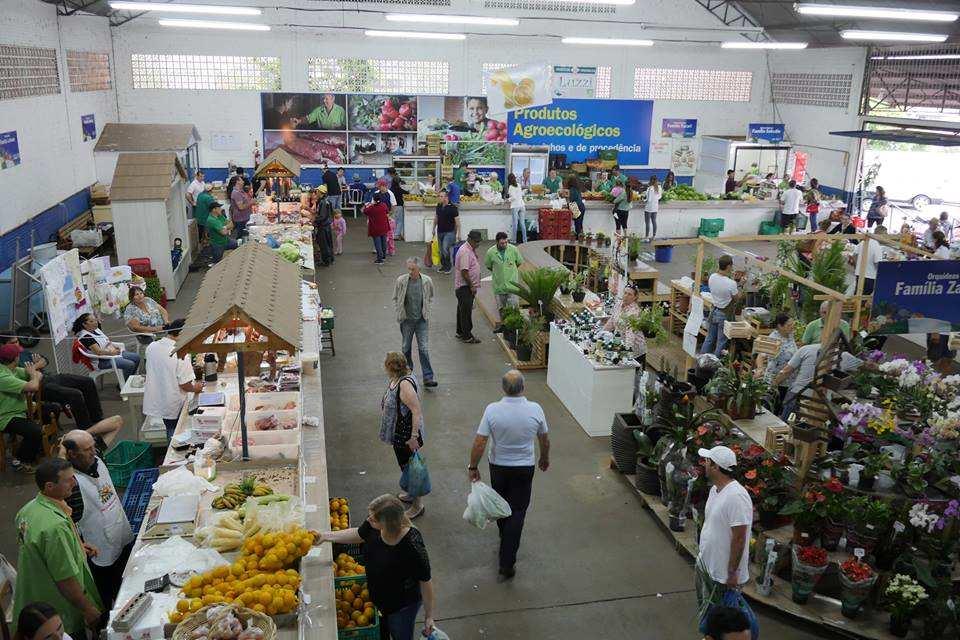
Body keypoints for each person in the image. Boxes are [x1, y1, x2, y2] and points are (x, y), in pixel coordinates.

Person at [468, 370, 550, 581]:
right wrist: (544, 458)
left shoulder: (492, 410)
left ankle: (505, 535)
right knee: (518, 511)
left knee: (501, 505)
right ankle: (507, 561)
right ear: (523, 387)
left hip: (499, 467)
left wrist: (473, 466)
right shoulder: (535, 409)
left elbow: (480, 442)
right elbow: (544, 439)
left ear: (503, 388)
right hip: (524, 467)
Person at [318, 495, 435, 639]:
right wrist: (325, 537)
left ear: (387, 524)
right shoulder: (374, 528)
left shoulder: (412, 545)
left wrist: (429, 616)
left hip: (401, 606)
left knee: (400, 634)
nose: (368, 520)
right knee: (382, 633)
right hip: (378, 599)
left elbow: (425, 581)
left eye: (373, 519)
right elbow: (359, 534)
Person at [13, 458, 103, 640]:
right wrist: (88, 609)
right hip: (56, 611)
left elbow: (39, 549)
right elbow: (65, 579)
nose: (74, 482)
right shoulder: (54, 527)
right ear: (49, 486)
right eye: (68, 479)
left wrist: (76, 546)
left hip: (33, 598)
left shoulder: (28, 511)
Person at [62, 430, 134, 610]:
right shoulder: (71, 485)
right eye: (87, 449)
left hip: (122, 537)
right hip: (101, 553)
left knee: (133, 588)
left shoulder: (96, 458)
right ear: (71, 454)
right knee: (114, 603)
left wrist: (81, 436)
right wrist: (61, 451)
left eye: (92, 446)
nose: (93, 451)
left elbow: (116, 421)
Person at [3, 336, 104, 437]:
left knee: (87, 381)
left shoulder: (22, 352)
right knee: (74, 394)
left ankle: (97, 418)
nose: (17, 344)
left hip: (48, 377)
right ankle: (86, 429)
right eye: (13, 342)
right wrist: (36, 369)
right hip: (39, 388)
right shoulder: (7, 361)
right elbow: (32, 384)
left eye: (17, 341)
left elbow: (45, 360)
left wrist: (34, 369)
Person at [695, 446, 752, 615]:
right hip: (706, 565)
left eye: (707, 461)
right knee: (705, 614)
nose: (703, 464)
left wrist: (732, 572)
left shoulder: (737, 496)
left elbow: (739, 538)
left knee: (720, 621)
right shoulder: (715, 489)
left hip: (722, 576)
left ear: (715, 467)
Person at [379, 352, 427, 518]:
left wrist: (413, 437)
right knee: (405, 465)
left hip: (406, 435)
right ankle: (411, 494)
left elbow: (416, 411)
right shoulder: (397, 378)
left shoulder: (404, 385)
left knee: (412, 469)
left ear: (390, 367)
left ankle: (417, 505)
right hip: (398, 433)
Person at [143, 320, 203, 439]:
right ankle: (173, 453)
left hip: (159, 397)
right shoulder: (180, 352)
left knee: (169, 427)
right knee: (176, 433)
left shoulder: (152, 346)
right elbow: (185, 385)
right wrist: (197, 388)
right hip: (173, 401)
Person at [0, 342, 45, 471]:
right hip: (5, 416)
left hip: (20, 408)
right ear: (16, 359)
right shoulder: (2, 376)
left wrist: (34, 375)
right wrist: (33, 375)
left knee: (51, 409)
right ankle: (22, 460)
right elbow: (33, 385)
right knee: (34, 431)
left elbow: (39, 376)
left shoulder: (11, 369)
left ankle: (38, 448)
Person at [393, 259, 437, 389]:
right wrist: (399, 311)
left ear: (419, 269)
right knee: (406, 347)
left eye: (413, 269)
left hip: (421, 320)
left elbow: (431, 296)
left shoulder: (427, 281)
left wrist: (427, 310)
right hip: (407, 320)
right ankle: (407, 373)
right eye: (409, 269)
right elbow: (396, 297)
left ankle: (428, 377)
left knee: (423, 348)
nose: (410, 272)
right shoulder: (401, 281)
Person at [603, 285, 647, 399]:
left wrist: (627, 353)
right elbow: (612, 321)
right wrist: (601, 333)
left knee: (635, 380)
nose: (626, 296)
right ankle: (620, 397)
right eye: (625, 293)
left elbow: (630, 334)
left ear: (635, 297)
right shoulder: (619, 304)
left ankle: (634, 402)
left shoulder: (634, 312)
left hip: (636, 350)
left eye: (630, 294)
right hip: (621, 344)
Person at [72, 313, 140, 381]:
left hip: (110, 353)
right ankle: (124, 385)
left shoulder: (95, 329)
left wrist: (113, 347)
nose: (95, 323)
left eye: (95, 320)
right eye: (91, 321)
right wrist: (112, 352)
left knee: (136, 357)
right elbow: (98, 352)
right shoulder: (86, 337)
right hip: (101, 361)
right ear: (84, 324)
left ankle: (128, 380)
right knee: (129, 364)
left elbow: (106, 341)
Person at [700, 255, 740, 357]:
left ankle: (702, 361)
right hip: (724, 314)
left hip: (714, 310)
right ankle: (714, 365)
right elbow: (736, 298)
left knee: (709, 338)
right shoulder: (731, 283)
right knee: (721, 342)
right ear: (729, 266)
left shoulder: (712, 277)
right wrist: (740, 284)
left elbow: (722, 283)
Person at [485, 232, 523, 333]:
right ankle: (504, 327)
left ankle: (515, 330)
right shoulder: (490, 252)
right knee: (502, 309)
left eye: (506, 242)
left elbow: (519, 262)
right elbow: (489, 266)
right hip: (499, 286)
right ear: (497, 242)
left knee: (514, 309)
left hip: (512, 286)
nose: (505, 245)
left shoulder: (513, 250)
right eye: (502, 243)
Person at [773, 342, 821, 420]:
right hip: (823, 399)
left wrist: (774, 383)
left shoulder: (807, 349)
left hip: (799, 393)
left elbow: (786, 371)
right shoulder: (844, 355)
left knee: (785, 422)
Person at [763, 315, 797, 410]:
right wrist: (759, 369)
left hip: (788, 379)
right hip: (776, 379)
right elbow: (761, 355)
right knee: (773, 407)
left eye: (792, 324)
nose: (792, 327)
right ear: (780, 326)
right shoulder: (773, 339)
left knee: (782, 406)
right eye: (789, 325)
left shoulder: (790, 335)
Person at [455, 230, 482, 344]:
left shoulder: (469, 249)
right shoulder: (466, 251)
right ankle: (467, 336)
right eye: (476, 242)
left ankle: (460, 332)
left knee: (461, 310)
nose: (478, 244)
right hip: (465, 287)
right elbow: (465, 272)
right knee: (466, 312)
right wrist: (472, 286)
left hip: (462, 287)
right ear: (470, 240)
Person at [432, 190, 459, 274]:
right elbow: (436, 218)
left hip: (449, 232)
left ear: (446, 197)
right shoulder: (439, 206)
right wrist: (433, 228)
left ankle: (448, 266)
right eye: (439, 196)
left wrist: (458, 234)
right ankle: (443, 266)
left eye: (441, 196)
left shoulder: (453, 208)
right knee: (440, 250)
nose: (439, 198)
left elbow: (457, 222)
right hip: (440, 231)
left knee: (445, 248)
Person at [854, 227, 883, 296]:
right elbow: (877, 263)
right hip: (870, 276)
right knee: (864, 297)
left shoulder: (864, 241)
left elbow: (854, 254)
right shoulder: (877, 245)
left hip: (859, 273)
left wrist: (857, 266)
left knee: (857, 295)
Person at [363, 192, 391, 264]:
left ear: (373, 199)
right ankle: (384, 256)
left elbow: (364, 211)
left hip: (375, 228)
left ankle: (379, 259)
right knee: (384, 242)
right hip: (384, 227)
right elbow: (387, 213)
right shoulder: (384, 205)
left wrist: (366, 206)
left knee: (377, 244)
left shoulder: (371, 208)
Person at [314, 184, 335, 267]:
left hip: (323, 226)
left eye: (317, 191)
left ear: (321, 192)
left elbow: (322, 216)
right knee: (328, 243)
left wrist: (315, 220)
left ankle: (326, 261)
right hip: (327, 225)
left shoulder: (323, 202)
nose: (316, 193)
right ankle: (330, 259)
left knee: (324, 244)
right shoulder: (326, 201)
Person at [504, 173, 527, 244]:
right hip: (522, 205)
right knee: (522, 224)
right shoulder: (519, 185)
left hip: (515, 206)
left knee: (515, 224)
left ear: (509, 180)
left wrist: (507, 200)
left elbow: (513, 197)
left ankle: (514, 240)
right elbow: (521, 194)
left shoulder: (511, 187)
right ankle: (525, 240)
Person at [388, 168, 408, 241]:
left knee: (394, 220)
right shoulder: (399, 189)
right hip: (399, 206)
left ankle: (392, 234)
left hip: (392, 207)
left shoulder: (391, 189)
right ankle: (396, 235)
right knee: (400, 220)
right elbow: (407, 192)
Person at [643, 175, 661, 241]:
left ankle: (646, 237)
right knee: (654, 221)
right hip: (655, 207)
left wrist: (644, 199)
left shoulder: (650, 188)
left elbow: (649, 199)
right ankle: (654, 236)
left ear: (650, 180)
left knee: (647, 222)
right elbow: (659, 197)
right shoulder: (659, 187)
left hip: (649, 207)